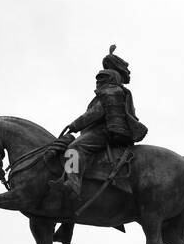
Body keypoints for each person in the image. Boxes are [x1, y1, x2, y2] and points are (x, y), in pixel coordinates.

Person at [59, 45, 147, 199]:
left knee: (73, 148)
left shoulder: (110, 91)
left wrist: (74, 125)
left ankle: (73, 184)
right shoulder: (120, 92)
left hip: (105, 132)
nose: (98, 83)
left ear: (109, 78)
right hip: (112, 132)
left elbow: (95, 113)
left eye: (101, 78)